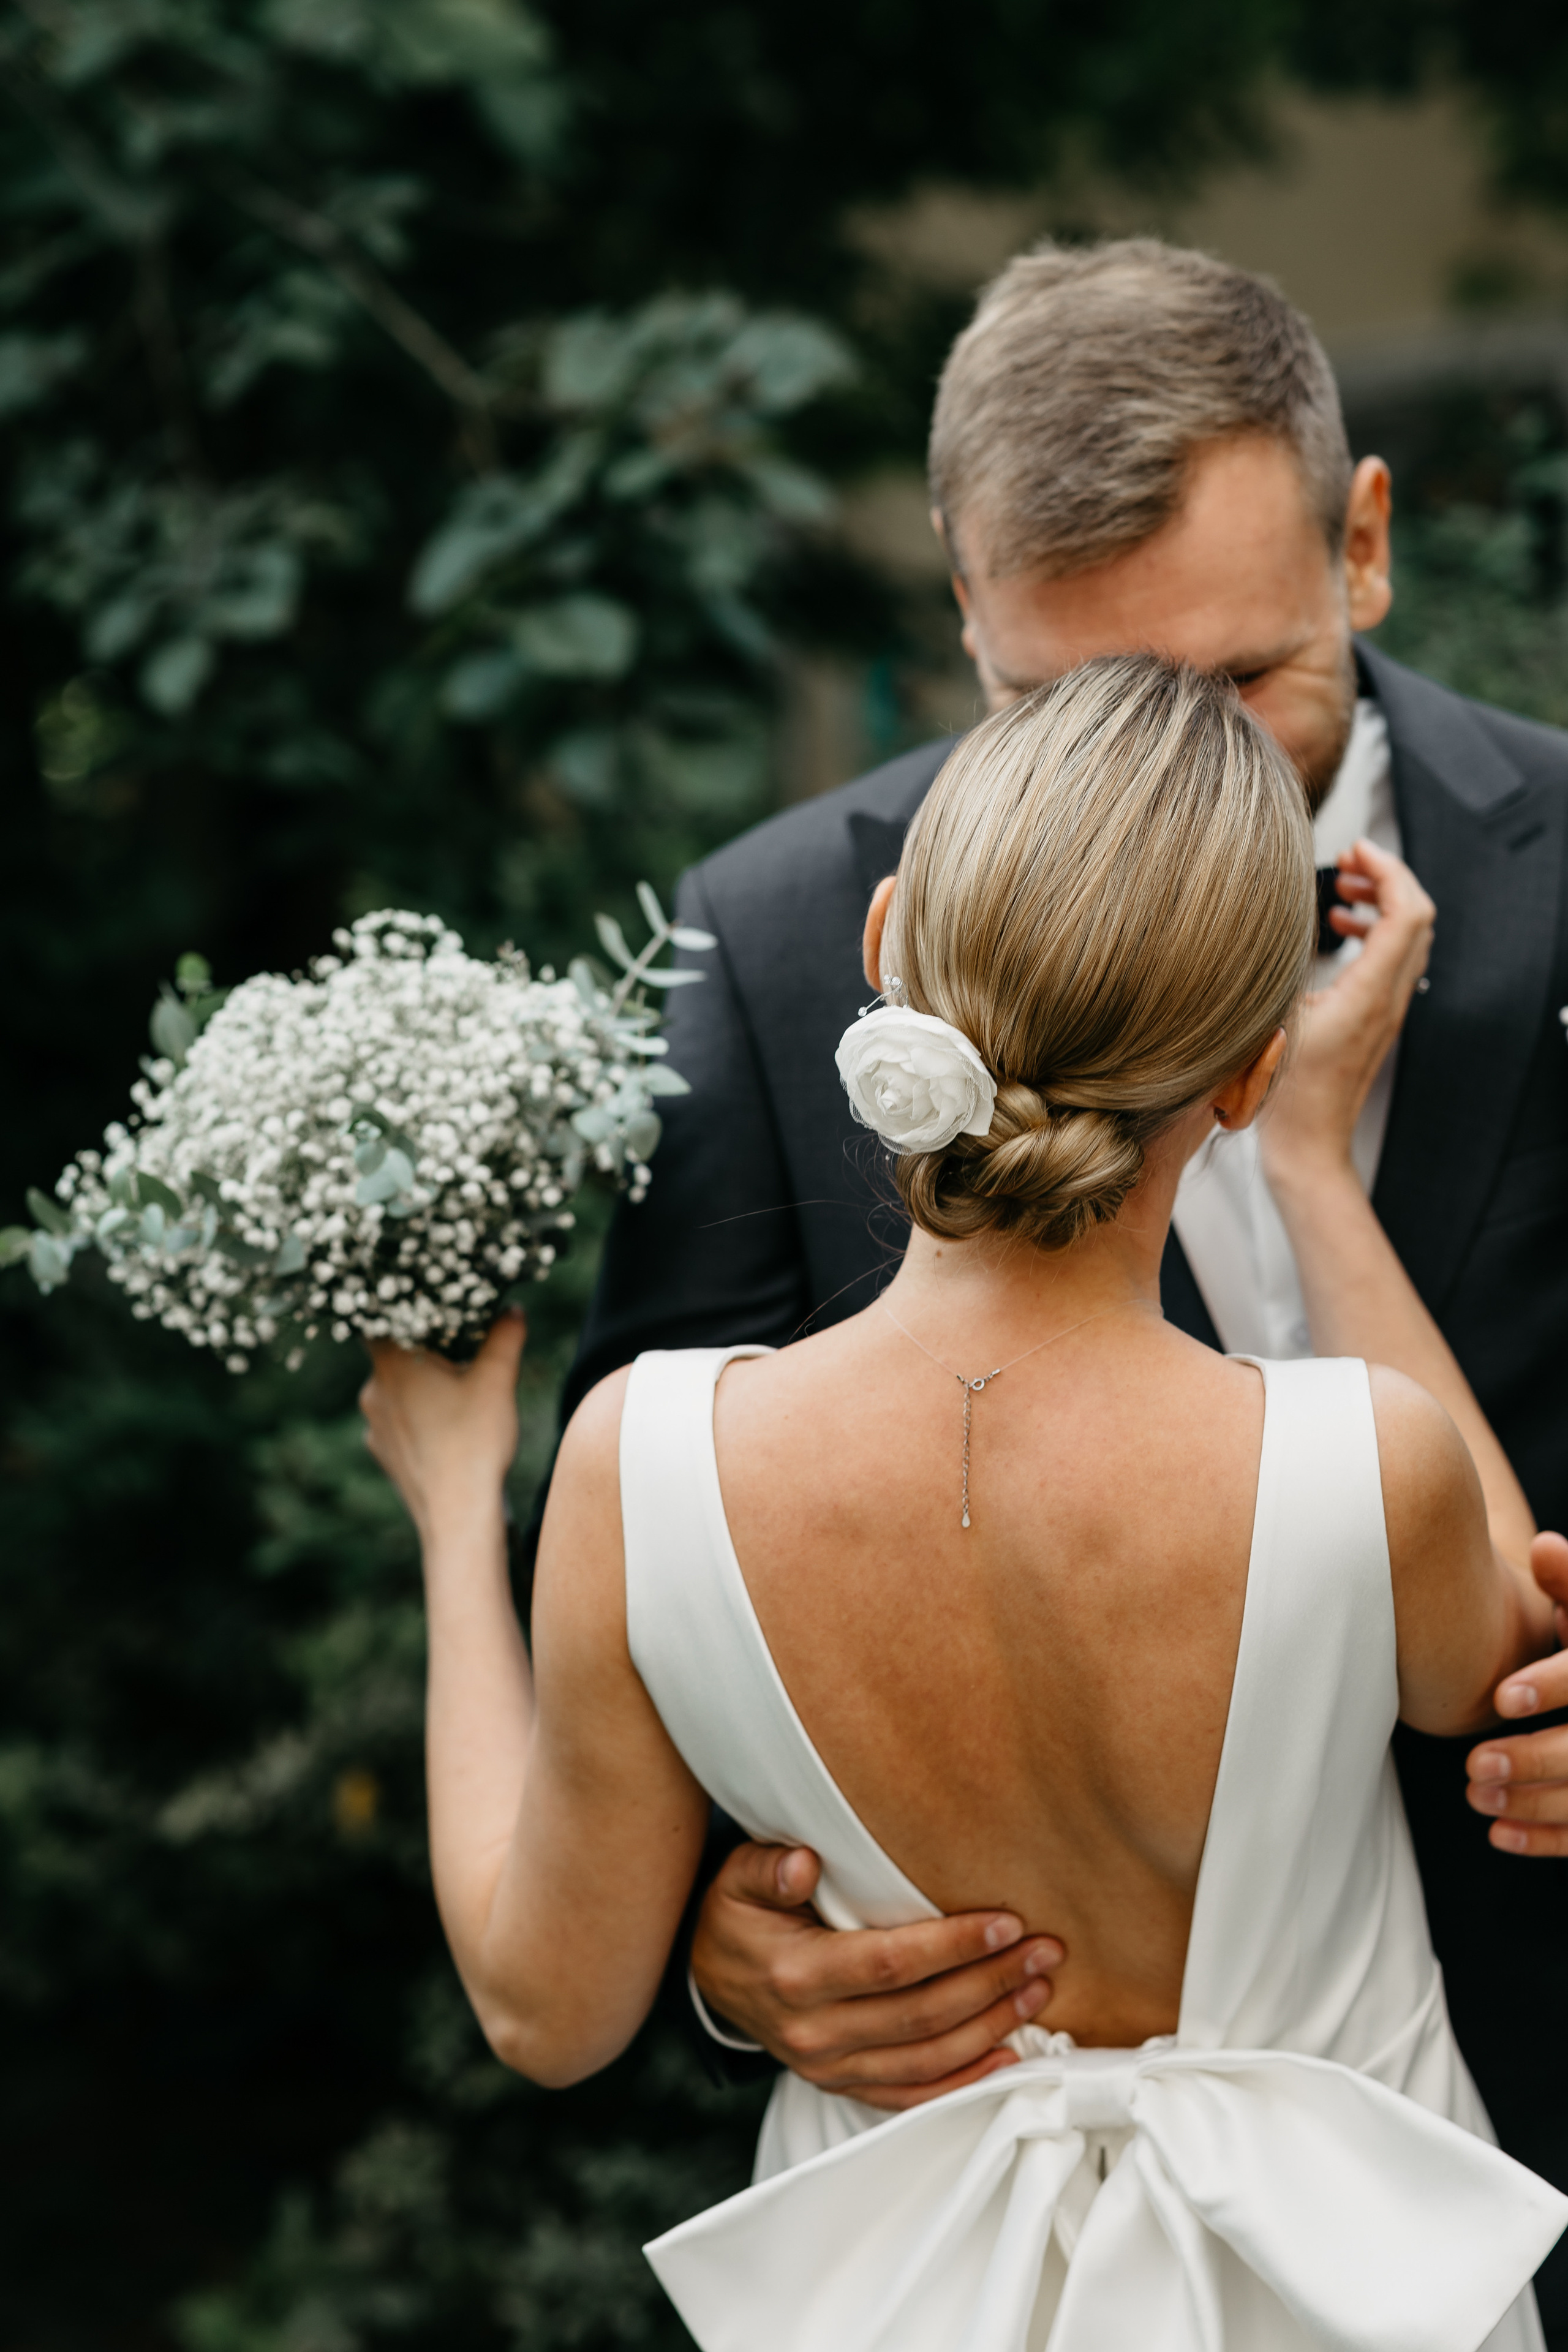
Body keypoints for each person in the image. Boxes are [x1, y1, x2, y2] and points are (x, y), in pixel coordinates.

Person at [543, 235, 1568, 2331]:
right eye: (1051, 701)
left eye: (1236, 690)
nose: (1159, 773)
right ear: (963, 618)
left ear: (1364, 546)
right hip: (1002, 2197)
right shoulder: (767, 939)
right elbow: (646, 1587)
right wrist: (727, 1951)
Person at [361, 658, 1567, 2351]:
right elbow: (1516, 1639)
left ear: (881, 953)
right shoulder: (1370, 1468)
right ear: (1242, 1071)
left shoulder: (640, 1463)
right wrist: (1311, 1167)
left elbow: (541, 2007)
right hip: (1353, 2297)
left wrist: (450, 1500)